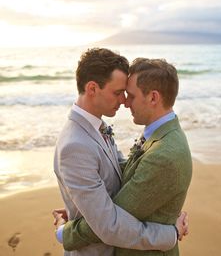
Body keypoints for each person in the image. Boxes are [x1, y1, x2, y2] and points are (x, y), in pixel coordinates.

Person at [53, 49, 189, 256]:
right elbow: (108, 224)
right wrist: (170, 233)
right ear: (92, 88)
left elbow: (121, 174)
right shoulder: (75, 145)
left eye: (128, 94)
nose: (124, 101)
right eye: (118, 92)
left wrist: (79, 214)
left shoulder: (98, 127)